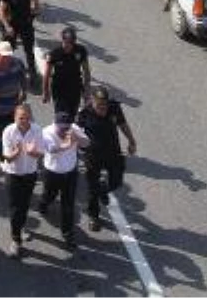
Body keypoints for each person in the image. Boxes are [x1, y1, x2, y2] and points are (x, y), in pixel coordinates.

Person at [76, 86, 137, 232]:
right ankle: (94, 217)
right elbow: (76, 133)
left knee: (116, 182)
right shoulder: (84, 113)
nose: (103, 109)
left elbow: (122, 124)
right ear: (92, 101)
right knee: (92, 188)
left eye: (105, 105)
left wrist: (131, 140)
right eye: (99, 105)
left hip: (113, 152)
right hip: (93, 156)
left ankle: (104, 190)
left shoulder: (114, 108)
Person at [38, 111, 90, 250]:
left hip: (70, 173)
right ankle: (43, 204)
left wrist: (77, 137)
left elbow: (86, 143)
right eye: (61, 128)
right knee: (49, 195)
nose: (63, 131)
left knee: (68, 204)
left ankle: (67, 233)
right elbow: (51, 149)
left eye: (66, 128)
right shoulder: (46, 132)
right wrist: (67, 144)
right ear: (55, 124)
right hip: (52, 173)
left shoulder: (74, 129)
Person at [0, 104, 44, 258]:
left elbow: (41, 154)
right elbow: (7, 157)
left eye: (26, 118)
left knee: (25, 204)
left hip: (30, 173)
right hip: (13, 174)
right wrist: (17, 152)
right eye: (20, 118)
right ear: (15, 118)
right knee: (15, 207)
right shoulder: (8, 131)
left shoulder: (37, 130)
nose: (24, 121)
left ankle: (21, 227)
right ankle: (16, 239)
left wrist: (33, 152)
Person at [0, 0, 43, 80]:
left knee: (29, 50)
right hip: (12, 24)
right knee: (8, 49)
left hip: (26, 23)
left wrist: (37, 9)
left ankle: (33, 74)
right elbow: (1, 9)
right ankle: (5, 71)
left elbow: (35, 1)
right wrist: (7, 26)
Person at [42, 26, 92, 120]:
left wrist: (87, 90)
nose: (69, 46)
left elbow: (86, 71)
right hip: (59, 88)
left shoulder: (81, 50)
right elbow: (47, 74)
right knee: (62, 117)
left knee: (73, 115)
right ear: (62, 40)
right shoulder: (54, 53)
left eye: (71, 43)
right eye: (66, 42)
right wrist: (45, 92)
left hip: (75, 87)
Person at [0, 41, 27, 138]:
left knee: (13, 134)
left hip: (14, 106)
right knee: (0, 136)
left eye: (8, 55)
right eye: (3, 56)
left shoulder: (18, 63)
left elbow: (23, 78)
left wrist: (24, 91)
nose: (7, 58)